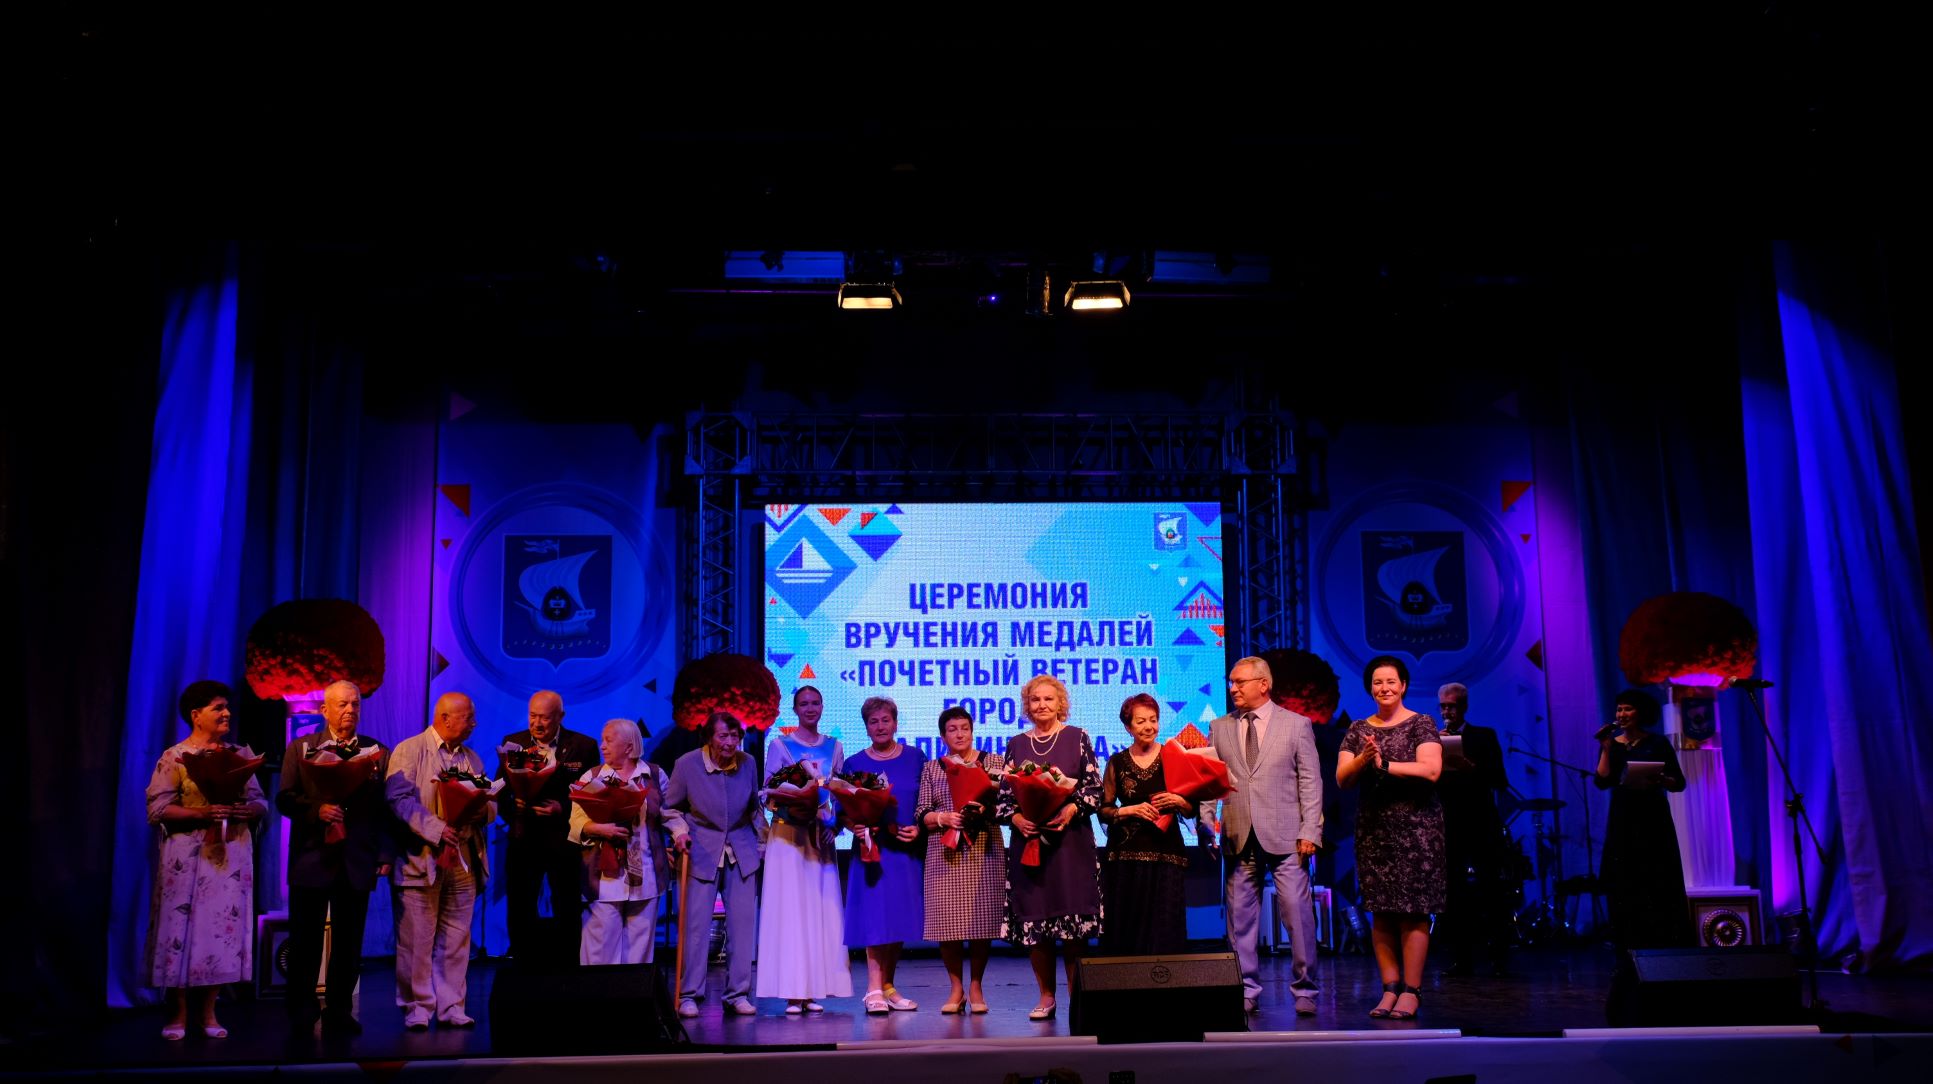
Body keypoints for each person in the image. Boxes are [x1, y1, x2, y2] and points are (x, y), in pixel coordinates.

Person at [145, 680, 267, 1041]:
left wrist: (247, 810)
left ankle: (210, 1011)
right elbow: (157, 809)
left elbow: (261, 801)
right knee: (180, 930)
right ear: (196, 715)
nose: (226, 713)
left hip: (228, 856)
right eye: (218, 708)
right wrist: (202, 813)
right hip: (187, 857)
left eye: (227, 707)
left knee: (219, 932)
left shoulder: (239, 754)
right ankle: (178, 1013)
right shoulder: (176, 757)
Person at [1206, 656, 1324, 1016]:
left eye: (1240, 682)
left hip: (1287, 836)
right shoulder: (1219, 727)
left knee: (1297, 915)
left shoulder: (1297, 725)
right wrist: (1206, 824)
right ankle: (1245, 988)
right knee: (1240, 919)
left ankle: (1305, 988)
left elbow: (1311, 781)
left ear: (1263, 684)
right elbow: (1210, 780)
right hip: (1238, 833)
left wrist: (1310, 829)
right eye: (1231, 682)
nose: (1233, 688)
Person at [278, 679, 393, 1037]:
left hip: (356, 859)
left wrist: (384, 853)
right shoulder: (302, 748)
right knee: (305, 941)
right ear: (324, 710)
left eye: (355, 704)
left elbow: (385, 808)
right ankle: (302, 1010)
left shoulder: (376, 751)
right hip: (312, 858)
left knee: (349, 942)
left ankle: (339, 1010)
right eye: (342, 704)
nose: (349, 710)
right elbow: (285, 798)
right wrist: (317, 810)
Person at [1338, 655, 1444, 1021]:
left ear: (1403, 686)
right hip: (1375, 830)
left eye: (1391, 682)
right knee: (1381, 911)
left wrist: (1383, 764)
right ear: (1370, 688)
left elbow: (1431, 770)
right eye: (1377, 682)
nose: (1384, 688)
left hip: (1418, 828)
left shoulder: (1421, 723)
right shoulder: (1358, 729)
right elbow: (1342, 778)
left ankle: (1411, 991)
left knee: (1414, 912)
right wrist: (1364, 758)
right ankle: (1389, 988)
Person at [997, 674, 1103, 1021]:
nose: (1041, 705)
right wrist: (1016, 819)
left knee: (1072, 926)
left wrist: (1071, 809)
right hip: (1029, 847)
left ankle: (1076, 997)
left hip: (1070, 846)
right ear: (1026, 706)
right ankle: (1046, 997)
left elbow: (1094, 789)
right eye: (1035, 700)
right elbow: (1004, 798)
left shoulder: (1078, 737)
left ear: (1061, 704)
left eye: (1048, 699)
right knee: (1036, 925)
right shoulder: (1015, 744)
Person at [387, 691, 494, 1030]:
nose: (474, 723)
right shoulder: (410, 750)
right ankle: (417, 1007)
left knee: (457, 937)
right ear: (445, 718)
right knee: (417, 939)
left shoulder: (472, 759)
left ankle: (451, 1006)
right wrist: (436, 829)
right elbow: (399, 800)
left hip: (463, 858)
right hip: (422, 859)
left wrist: (482, 811)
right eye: (468, 717)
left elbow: (489, 802)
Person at [755, 685, 852, 1013]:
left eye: (815, 703)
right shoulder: (780, 745)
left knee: (818, 910)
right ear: (795, 709)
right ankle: (792, 991)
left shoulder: (834, 746)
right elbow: (767, 792)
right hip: (788, 837)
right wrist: (793, 801)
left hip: (819, 837)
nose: (810, 708)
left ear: (822, 707)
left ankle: (813, 990)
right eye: (804, 704)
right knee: (791, 911)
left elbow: (839, 793)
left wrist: (835, 824)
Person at [665, 710, 767, 1019]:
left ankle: (737, 994)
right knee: (695, 928)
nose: (730, 742)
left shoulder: (748, 763)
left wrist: (763, 841)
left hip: (741, 850)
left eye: (735, 736)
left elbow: (754, 808)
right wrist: (679, 832)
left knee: (742, 927)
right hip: (701, 850)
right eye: (723, 736)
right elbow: (670, 809)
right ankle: (689, 994)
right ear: (709, 738)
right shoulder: (687, 764)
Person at [914, 705, 1007, 1014]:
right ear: (943, 736)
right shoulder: (933, 768)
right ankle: (956, 988)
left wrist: (985, 810)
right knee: (947, 924)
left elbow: (1007, 805)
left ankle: (976, 986)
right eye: (952, 729)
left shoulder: (993, 762)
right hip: (945, 851)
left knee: (982, 922)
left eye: (964, 728)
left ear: (972, 731)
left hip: (984, 848)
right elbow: (922, 812)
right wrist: (943, 817)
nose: (959, 734)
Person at [497, 689, 599, 966]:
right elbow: (500, 790)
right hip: (524, 841)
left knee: (567, 906)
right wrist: (514, 806)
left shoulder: (583, 746)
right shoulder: (513, 743)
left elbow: (592, 795)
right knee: (520, 906)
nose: (537, 723)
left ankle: (567, 971)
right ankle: (523, 966)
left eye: (544, 717)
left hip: (563, 842)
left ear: (560, 717)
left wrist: (562, 808)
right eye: (533, 716)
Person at [569, 718, 684, 965]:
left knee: (639, 951)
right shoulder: (592, 776)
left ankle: (635, 990)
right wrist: (599, 829)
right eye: (603, 740)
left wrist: (681, 833)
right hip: (603, 878)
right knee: (600, 950)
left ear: (629, 747)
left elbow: (669, 814)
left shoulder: (654, 775)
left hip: (646, 877)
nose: (602, 746)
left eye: (609, 741)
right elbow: (575, 821)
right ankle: (600, 991)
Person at [841, 696, 928, 1014]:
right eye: (873, 721)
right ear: (866, 727)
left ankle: (889, 987)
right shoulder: (853, 763)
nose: (880, 726)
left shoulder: (916, 758)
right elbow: (843, 812)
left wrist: (920, 827)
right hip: (872, 853)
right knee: (876, 918)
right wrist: (856, 826)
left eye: (885, 720)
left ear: (895, 723)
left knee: (898, 919)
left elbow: (927, 802)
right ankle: (873, 989)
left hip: (905, 851)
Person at [1594, 688, 1694, 950]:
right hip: (1623, 817)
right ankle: (1627, 944)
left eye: (1627, 709)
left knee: (1655, 875)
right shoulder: (1613, 745)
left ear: (1641, 713)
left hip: (1652, 816)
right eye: (1619, 709)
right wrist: (1605, 748)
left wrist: (1661, 779)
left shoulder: (1657, 743)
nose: (1621, 714)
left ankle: (1662, 942)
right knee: (1624, 879)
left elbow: (1678, 783)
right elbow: (1601, 781)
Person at [1098, 693, 1193, 955]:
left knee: (1165, 926)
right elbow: (1104, 810)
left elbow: (1191, 808)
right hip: (1126, 856)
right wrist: (1131, 810)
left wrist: (1178, 800)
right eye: (1141, 721)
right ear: (1128, 727)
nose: (1149, 726)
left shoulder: (1174, 756)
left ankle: (1165, 978)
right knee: (1128, 925)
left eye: (1153, 720)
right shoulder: (1117, 762)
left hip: (1166, 853)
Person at [1435, 682, 1512, 977]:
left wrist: (1471, 767)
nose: (1447, 711)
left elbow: (1500, 780)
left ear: (1464, 707)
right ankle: (1461, 958)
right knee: (1454, 892)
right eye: (1443, 706)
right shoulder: (1433, 739)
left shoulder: (1483, 736)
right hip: (1449, 824)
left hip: (1481, 823)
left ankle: (1499, 957)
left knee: (1491, 889)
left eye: (1452, 706)